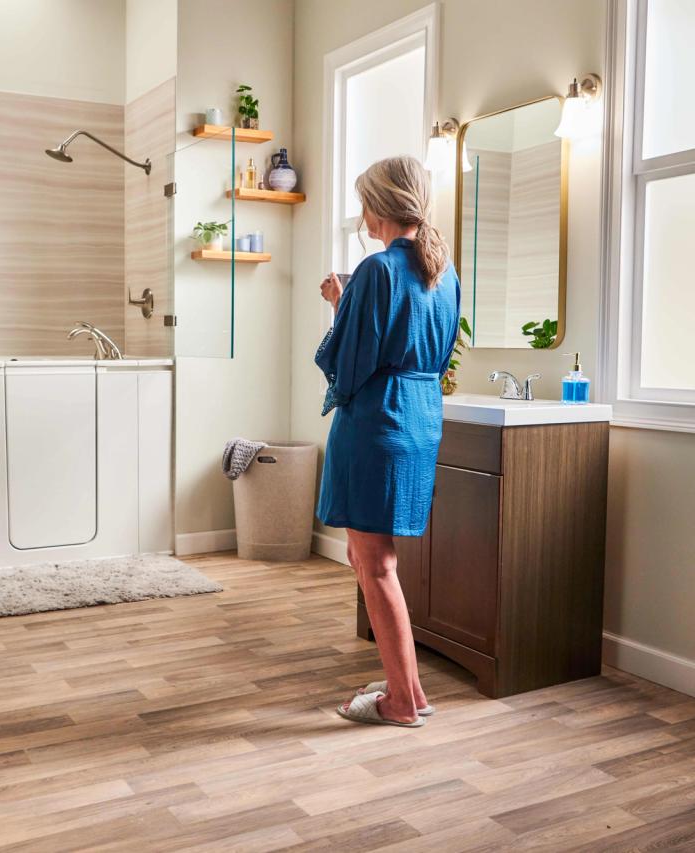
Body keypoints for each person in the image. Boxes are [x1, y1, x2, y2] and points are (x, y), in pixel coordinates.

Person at [316, 155, 461, 727]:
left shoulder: (376, 270)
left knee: (374, 563)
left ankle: (402, 701)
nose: (362, 215)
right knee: (370, 556)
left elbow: (348, 365)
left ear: (380, 206)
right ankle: (410, 686)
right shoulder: (444, 272)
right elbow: (437, 349)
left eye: (364, 203)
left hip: (377, 421)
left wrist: (338, 307)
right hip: (420, 418)